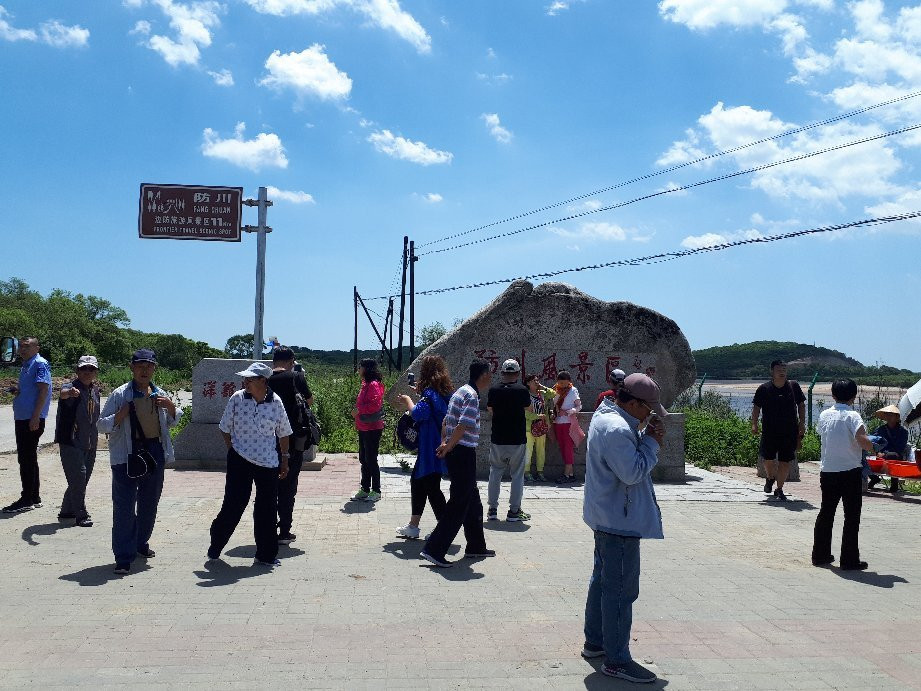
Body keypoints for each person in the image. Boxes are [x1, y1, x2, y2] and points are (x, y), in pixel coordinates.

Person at [581, 373, 667, 683]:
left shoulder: (609, 418)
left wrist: (644, 435)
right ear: (632, 403)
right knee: (620, 590)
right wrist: (652, 444)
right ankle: (616, 660)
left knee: (603, 580)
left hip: (607, 514)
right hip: (618, 520)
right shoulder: (617, 429)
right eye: (648, 409)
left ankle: (596, 642)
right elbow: (632, 473)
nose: (651, 415)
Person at [98, 349, 181, 575]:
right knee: (124, 507)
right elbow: (101, 425)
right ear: (132, 368)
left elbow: (173, 422)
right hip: (126, 454)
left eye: (149, 366)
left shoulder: (159, 393)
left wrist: (171, 407)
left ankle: (140, 543)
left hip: (154, 451)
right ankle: (123, 557)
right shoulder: (119, 395)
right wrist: (120, 415)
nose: (145, 370)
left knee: (149, 503)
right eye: (140, 366)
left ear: (154, 368)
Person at [208, 362, 292, 568]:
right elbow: (225, 428)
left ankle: (265, 555)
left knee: (267, 509)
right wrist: (233, 450)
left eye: (250, 379)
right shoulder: (237, 398)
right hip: (240, 459)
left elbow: (283, 433)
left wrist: (284, 459)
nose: (245, 382)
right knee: (233, 505)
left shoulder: (276, 402)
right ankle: (216, 546)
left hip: (268, 463)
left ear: (263, 381)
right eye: (245, 378)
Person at [420, 360, 494, 567]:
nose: (491, 377)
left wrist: (445, 442)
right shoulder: (470, 396)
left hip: (457, 451)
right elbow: (462, 425)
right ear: (484, 375)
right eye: (490, 374)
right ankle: (434, 549)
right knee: (459, 503)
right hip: (462, 453)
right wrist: (450, 445)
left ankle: (476, 546)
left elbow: (446, 421)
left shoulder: (460, 391)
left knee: (472, 499)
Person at [811, 379, 877, 571]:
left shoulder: (824, 415)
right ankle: (849, 560)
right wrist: (875, 448)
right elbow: (862, 439)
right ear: (853, 396)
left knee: (826, 513)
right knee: (851, 516)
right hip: (850, 471)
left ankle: (820, 555)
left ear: (833, 395)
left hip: (828, 470)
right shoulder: (853, 416)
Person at [395, 355, 453, 539]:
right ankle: (413, 525)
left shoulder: (429, 394)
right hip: (439, 445)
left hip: (430, 448)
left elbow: (418, 414)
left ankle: (444, 530)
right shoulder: (445, 392)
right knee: (418, 483)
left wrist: (407, 400)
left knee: (432, 488)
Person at [268, 347, 313, 545]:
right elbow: (309, 400)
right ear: (291, 360)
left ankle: (266, 528)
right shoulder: (296, 377)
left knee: (267, 486)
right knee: (288, 485)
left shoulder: (263, 379)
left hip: (266, 442)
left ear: (273, 361)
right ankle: (284, 531)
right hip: (293, 440)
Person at [3, 337, 52, 514]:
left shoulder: (39, 363)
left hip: (30, 419)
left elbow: (43, 390)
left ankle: (26, 499)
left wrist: (35, 417)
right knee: (29, 457)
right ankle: (34, 496)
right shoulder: (27, 364)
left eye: (27, 346)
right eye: (21, 346)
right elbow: (32, 390)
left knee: (25, 459)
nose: (22, 349)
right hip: (24, 417)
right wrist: (17, 391)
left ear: (36, 348)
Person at [54, 355, 101, 527]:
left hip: (90, 441)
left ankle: (67, 510)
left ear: (96, 372)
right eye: (83, 368)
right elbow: (62, 393)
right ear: (77, 371)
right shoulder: (71, 387)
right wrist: (69, 393)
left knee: (81, 479)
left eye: (91, 369)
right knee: (79, 478)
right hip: (71, 442)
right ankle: (81, 515)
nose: (87, 372)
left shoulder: (95, 390)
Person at [751, 360, 806, 502]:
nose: (782, 372)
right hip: (769, 431)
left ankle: (779, 488)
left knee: (785, 461)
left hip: (789, 431)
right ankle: (770, 478)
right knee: (768, 459)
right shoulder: (764, 388)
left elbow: (801, 405)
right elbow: (756, 407)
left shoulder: (793, 386)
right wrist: (754, 424)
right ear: (772, 372)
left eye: (784, 369)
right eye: (778, 369)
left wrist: (802, 424)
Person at [486, 359, 533, 522]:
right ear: (518, 374)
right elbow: (529, 408)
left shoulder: (494, 390)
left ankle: (492, 510)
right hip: (517, 439)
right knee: (517, 476)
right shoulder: (522, 390)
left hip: (497, 437)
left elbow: (490, 409)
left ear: (502, 373)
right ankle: (514, 511)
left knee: (495, 473)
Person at [353, 358, 386, 502]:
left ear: (366, 369)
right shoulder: (365, 384)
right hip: (363, 426)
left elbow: (375, 406)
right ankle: (365, 488)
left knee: (371, 459)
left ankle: (376, 490)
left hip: (372, 427)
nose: (359, 369)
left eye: (360, 366)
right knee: (364, 458)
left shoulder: (373, 385)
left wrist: (358, 411)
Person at [867, 404, 910, 494]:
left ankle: (894, 484)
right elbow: (872, 440)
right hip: (880, 455)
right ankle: (874, 479)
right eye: (887, 415)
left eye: (891, 415)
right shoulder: (880, 429)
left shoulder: (903, 432)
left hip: (895, 456)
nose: (889, 417)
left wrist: (884, 453)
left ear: (897, 417)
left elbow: (899, 448)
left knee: (893, 455)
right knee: (863, 456)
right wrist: (875, 451)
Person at [553, 371, 582, 483]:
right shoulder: (555, 390)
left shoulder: (573, 390)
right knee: (562, 447)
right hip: (558, 422)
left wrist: (569, 412)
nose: (562, 385)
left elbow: (579, 406)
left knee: (568, 447)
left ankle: (566, 474)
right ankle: (571, 474)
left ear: (569, 382)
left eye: (564, 383)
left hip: (568, 422)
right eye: (560, 383)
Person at [524, 374, 555, 482]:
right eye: (534, 381)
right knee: (528, 451)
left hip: (541, 427)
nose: (536, 382)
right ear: (528, 383)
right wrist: (536, 416)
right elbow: (524, 413)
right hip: (528, 427)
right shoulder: (525, 395)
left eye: (537, 380)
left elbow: (553, 394)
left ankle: (540, 472)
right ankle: (526, 472)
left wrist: (542, 386)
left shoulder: (542, 394)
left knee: (541, 451)